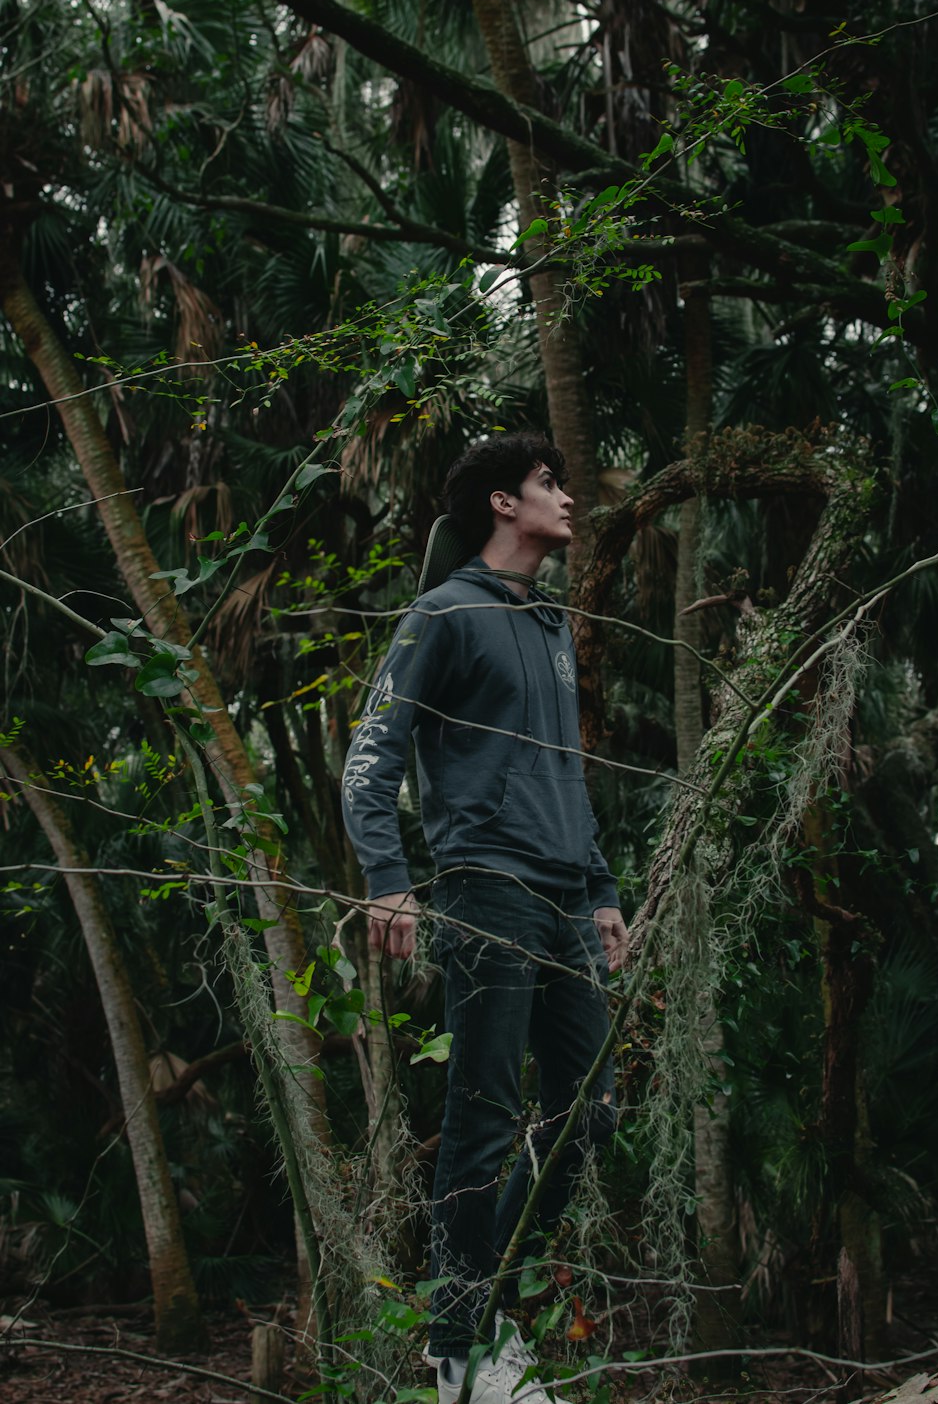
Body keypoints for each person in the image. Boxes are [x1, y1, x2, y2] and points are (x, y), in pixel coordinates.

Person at [341, 433, 627, 1404]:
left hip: (561, 900)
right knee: (483, 1116)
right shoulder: (442, 614)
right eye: (554, 483)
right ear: (503, 503)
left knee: (590, 1110)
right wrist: (388, 877)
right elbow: (370, 756)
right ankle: (459, 1349)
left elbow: (567, 774)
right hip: (485, 889)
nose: (569, 499)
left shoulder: (547, 626)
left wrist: (600, 892)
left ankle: (485, 1306)